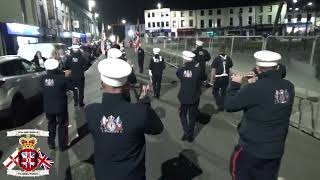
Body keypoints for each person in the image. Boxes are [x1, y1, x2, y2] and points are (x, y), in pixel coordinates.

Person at [85, 58, 163, 180]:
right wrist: (144, 102)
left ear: (102, 83)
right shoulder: (139, 112)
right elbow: (158, 128)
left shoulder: (91, 111)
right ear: (126, 85)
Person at [224, 50, 295, 180]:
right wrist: (256, 82)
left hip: (251, 150)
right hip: (275, 150)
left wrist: (234, 84)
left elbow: (229, 105)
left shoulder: (253, 89)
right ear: (277, 66)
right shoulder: (289, 87)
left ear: (257, 68)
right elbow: (267, 97)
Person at [40, 59, 71, 151]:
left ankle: (51, 143)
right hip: (60, 106)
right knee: (62, 125)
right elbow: (69, 87)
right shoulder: (62, 78)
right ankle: (62, 145)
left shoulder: (42, 79)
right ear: (57, 67)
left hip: (48, 106)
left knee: (51, 124)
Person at [176, 51, 205, 142]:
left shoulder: (181, 70)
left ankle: (186, 132)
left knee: (183, 115)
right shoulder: (198, 70)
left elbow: (178, 75)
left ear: (184, 59)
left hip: (184, 97)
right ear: (192, 59)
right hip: (194, 97)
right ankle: (190, 135)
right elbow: (204, 77)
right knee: (192, 117)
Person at [210, 45, 233, 111]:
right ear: (225, 50)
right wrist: (230, 78)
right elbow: (230, 70)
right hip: (226, 77)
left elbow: (213, 70)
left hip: (218, 78)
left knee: (215, 91)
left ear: (219, 50)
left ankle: (219, 104)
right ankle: (223, 104)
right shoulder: (228, 58)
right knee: (223, 92)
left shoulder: (217, 58)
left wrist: (212, 79)